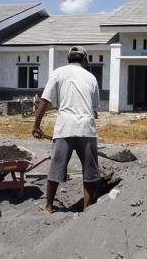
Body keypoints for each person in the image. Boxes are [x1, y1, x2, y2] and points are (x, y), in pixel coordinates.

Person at [32, 46, 100, 214]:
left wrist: (36, 125)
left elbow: (44, 100)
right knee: (89, 171)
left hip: (64, 127)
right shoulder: (91, 77)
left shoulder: (57, 73)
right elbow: (95, 108)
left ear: (69, 58)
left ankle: (48, 207)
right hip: (86, 128)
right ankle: (87, 208)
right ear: (84, 60)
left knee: (56, 167)